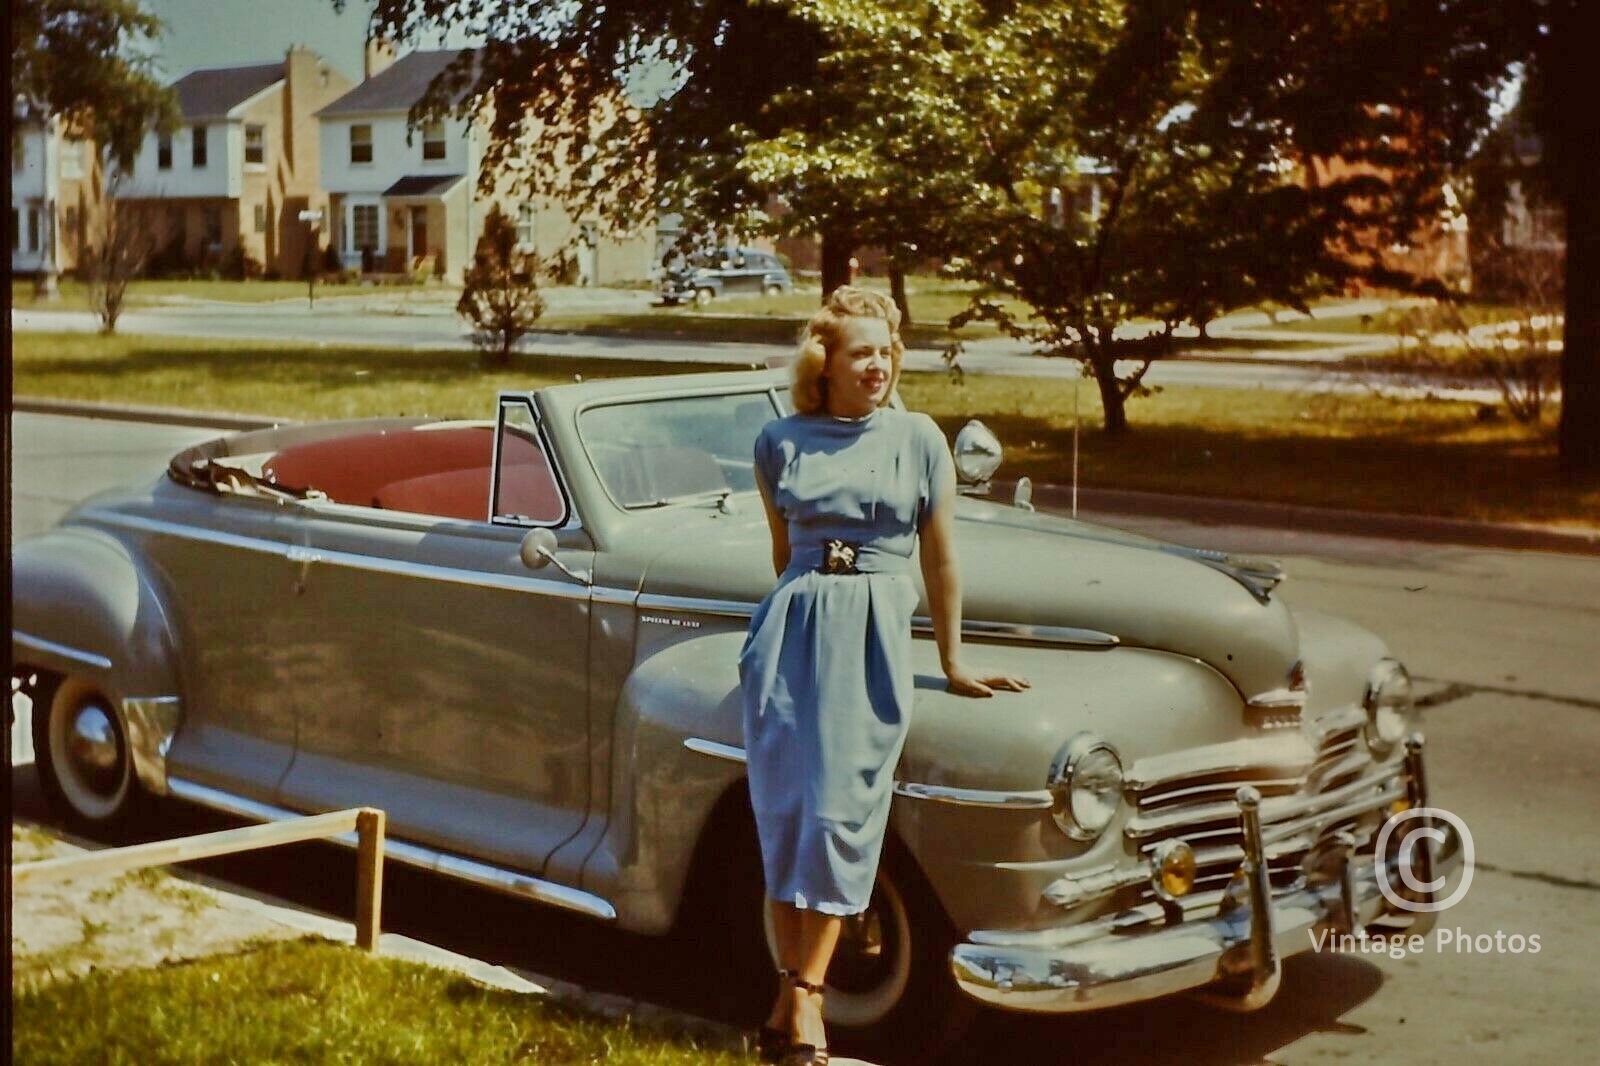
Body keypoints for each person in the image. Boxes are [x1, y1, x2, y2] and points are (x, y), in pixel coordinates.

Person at [737, 285, 1030, 1065]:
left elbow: (940, 558)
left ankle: (804, 997)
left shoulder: (919, 438)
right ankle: (792, 1002)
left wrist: (952, 658)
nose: (877, 365)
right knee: (787, 814)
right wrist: (780, 629)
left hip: (870, 633)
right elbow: (781, 554)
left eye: (886, 352)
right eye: (860, 352)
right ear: (823, 363)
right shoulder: (779, 442)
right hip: (791, 633)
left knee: (841, 815)